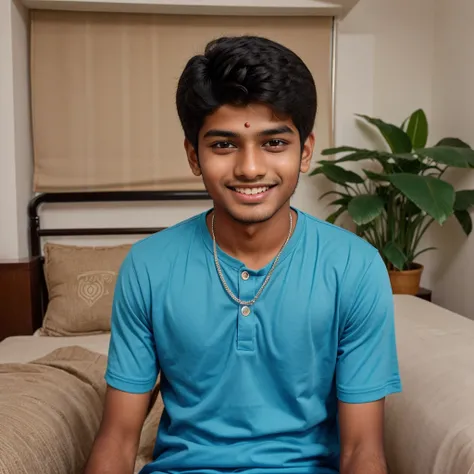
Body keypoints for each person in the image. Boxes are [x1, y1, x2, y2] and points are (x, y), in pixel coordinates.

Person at [85, 35, 402, 474]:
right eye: (223, 145)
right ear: (193, 156)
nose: (250, 168)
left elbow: (362, 451)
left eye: (274, 143)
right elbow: (118, 441)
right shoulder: (148, 266)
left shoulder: (355, 268)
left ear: (304, 151)